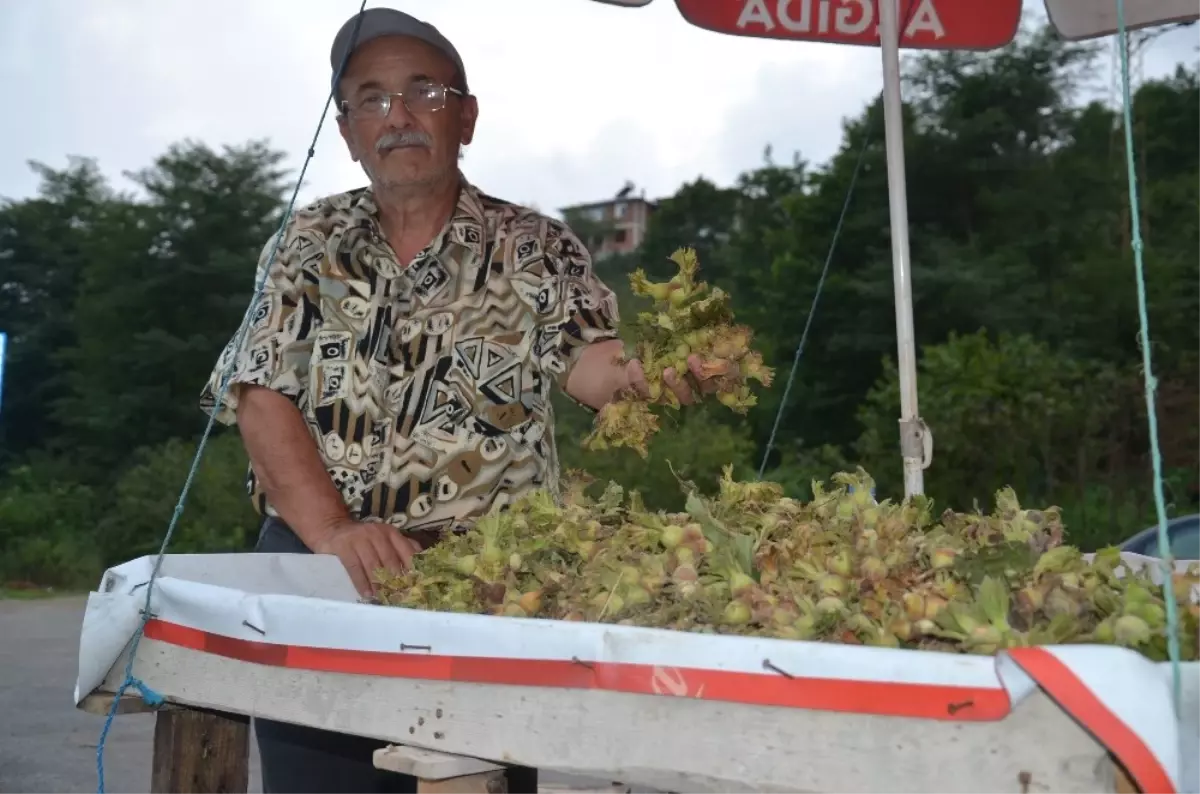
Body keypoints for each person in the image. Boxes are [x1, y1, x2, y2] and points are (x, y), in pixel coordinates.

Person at [198, 7, 720, 794]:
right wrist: (336, 532)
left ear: (467, 116)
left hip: (488, 586)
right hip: (316, 569)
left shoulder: (534, 244)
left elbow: (591, 362)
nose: (397, 116)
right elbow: (258, 394)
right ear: (344, 130)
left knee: (470, 779)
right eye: (369, 98)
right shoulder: (307, 240)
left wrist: (654, 375)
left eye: (424, 92)